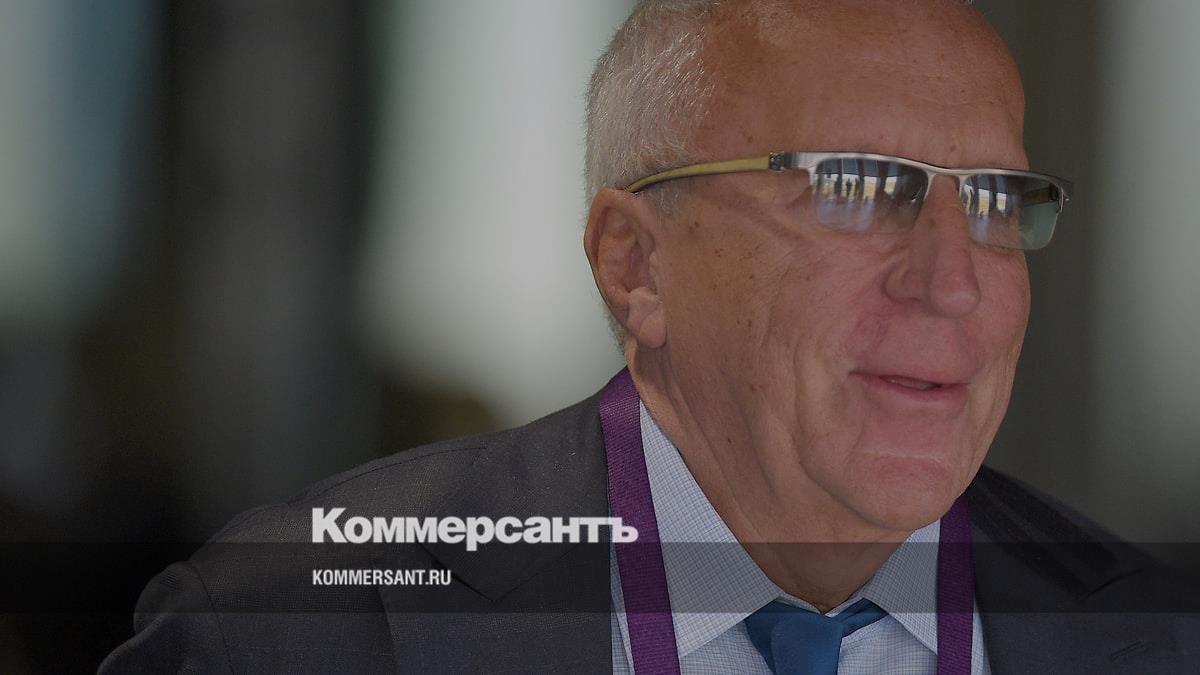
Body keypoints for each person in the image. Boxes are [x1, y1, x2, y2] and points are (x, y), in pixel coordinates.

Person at [102, 0, 1200, 672]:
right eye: (859, 188)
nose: (955, 283)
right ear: (636, 264)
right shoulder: (290, 627)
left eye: (998, 202)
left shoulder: (1161, 637)